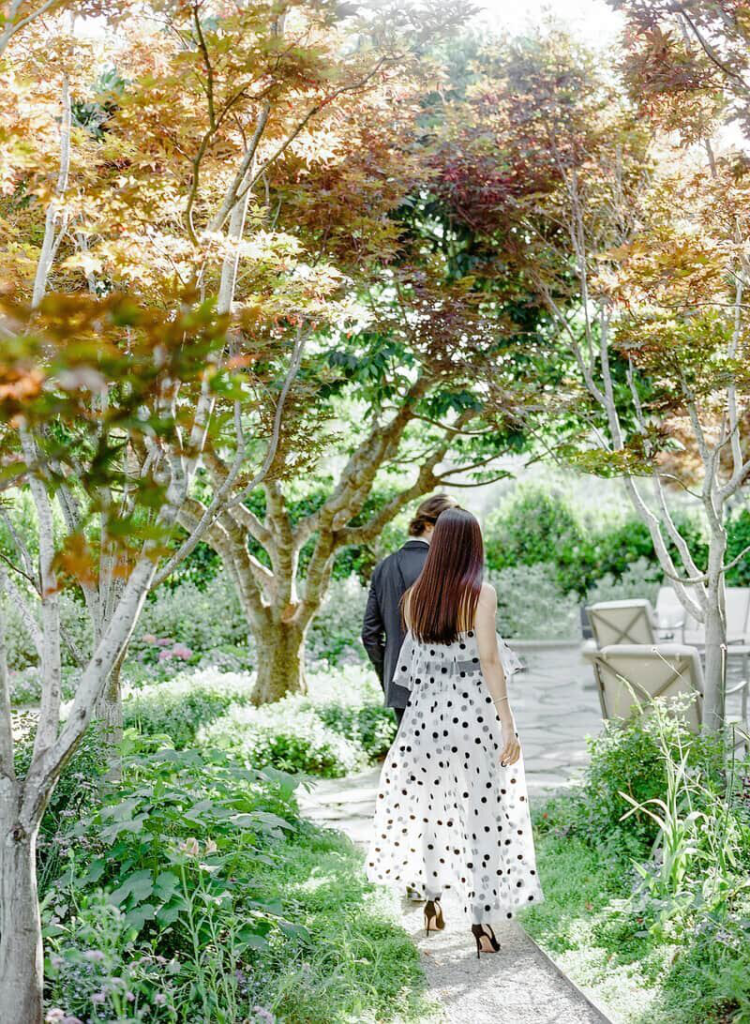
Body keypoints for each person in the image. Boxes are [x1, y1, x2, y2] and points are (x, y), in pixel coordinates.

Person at [365, 508, 543, 958]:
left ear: (439, 545)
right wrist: (508, 723)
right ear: (472, 547)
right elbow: (488, 661)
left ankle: (431, 902)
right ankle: (480, 924)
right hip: (473, 717)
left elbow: (413, 668)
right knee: (480, 815)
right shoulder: (480, 594)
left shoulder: (412, 599)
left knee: (430, 811)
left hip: (425, 721)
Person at [361, 494, 458, 728]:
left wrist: (389, 672)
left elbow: (369, 635)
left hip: (399, 687)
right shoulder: (446, 567)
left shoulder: (383, 567)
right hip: (443, 684)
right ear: (427, 526)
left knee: (411, 762)